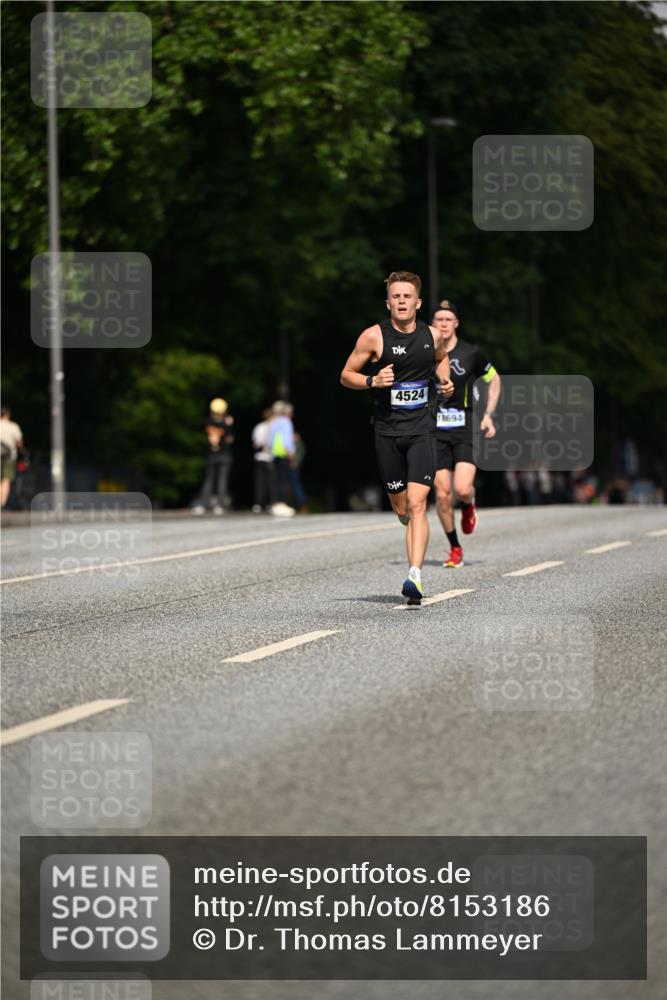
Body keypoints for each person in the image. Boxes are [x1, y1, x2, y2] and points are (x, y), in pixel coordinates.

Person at [340, 271, 454, 604]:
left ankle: (414, 575)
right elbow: (346, 375)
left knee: (418, 505)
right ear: (388, 302)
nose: (402, 301)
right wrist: (372, 381)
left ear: (417, 303)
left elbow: (441, 359)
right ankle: (405, 517)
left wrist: (445, 382)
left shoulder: (432, 335)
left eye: (407, 296)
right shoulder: (374, 337)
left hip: (422, 430)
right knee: (402, 507)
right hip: (387, 433)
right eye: (396, 296)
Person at [431, 300, 500, 567]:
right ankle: (455, 548)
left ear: (456, 323)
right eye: (439, 320)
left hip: (465, 427)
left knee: (461, 489)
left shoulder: (471, 352)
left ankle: (469, 504)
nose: (443, 324)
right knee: (442, 494)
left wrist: (488, 415)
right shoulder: (425, 352)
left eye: (448, 319)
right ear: (433, 324)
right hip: (434, 429)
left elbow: (494, 379)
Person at [192, 397, 234, 515]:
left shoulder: (208, 422)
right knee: (220, 480)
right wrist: (229, 425)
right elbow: (230, 439)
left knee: (210, 479)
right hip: (223, 454)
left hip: (214, 454)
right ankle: (219, 505)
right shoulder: (226, 423)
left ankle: (205, 504)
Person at [268, 401, 296, 517]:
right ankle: (282, 503)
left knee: (276, 479)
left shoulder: (273, 422)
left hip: (275, 454)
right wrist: (291, 455)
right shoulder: (286, 422)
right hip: (284, 453)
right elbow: (287, 440)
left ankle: (275, 503)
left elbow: (270, 440)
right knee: (284, 480)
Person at [251, 408, 275, 513]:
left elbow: (255, 443)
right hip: (268, 457)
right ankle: (268, 503)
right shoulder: (273, 427)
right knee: (269, 482)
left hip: (260, 456)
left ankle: (259, 504)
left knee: (260, 482)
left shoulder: (259, 427)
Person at [1, 406, 24, 509]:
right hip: (9, 456)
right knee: (6, 480)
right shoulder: (13, 426)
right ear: (8, 415)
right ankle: (2, 503)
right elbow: (19, 443)